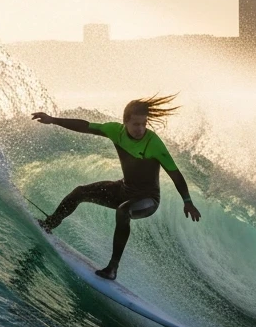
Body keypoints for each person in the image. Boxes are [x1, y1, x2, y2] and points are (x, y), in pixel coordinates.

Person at [31, 94, 201, 280]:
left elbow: (175, 174)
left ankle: (112, 268)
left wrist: (187, 201)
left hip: (147, 199)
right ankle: (50, 224)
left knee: (123, 211)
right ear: (125, 122)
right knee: (80, 192)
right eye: (136, 124)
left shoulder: (154, 143)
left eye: (144, 124)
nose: (141, 129)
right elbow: (85, 126)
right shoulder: (115, 131)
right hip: (124, 189)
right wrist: (52, 120)